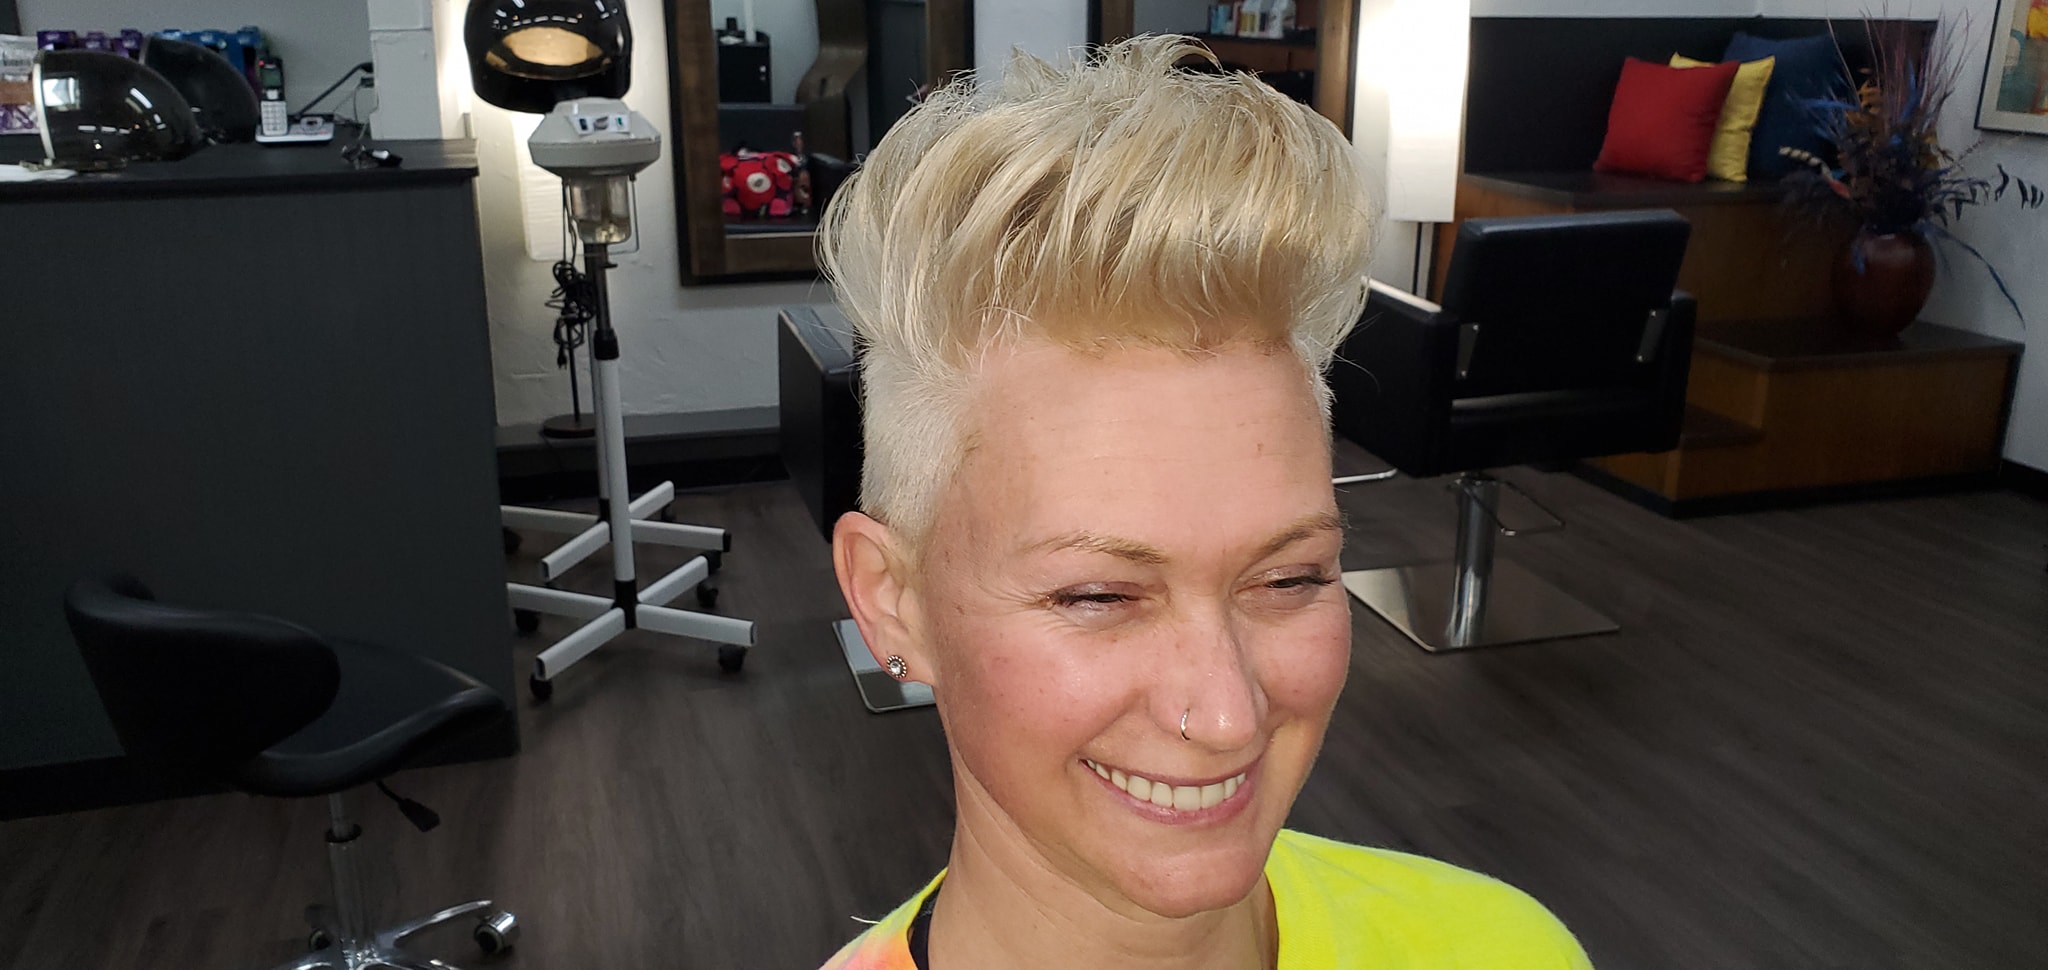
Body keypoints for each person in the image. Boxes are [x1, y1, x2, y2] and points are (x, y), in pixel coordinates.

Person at [815, 36, 1594, 970]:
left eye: (1290, 579)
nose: (1228, 717)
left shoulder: (1505, 948)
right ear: (891, 600)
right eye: (1098, 596)